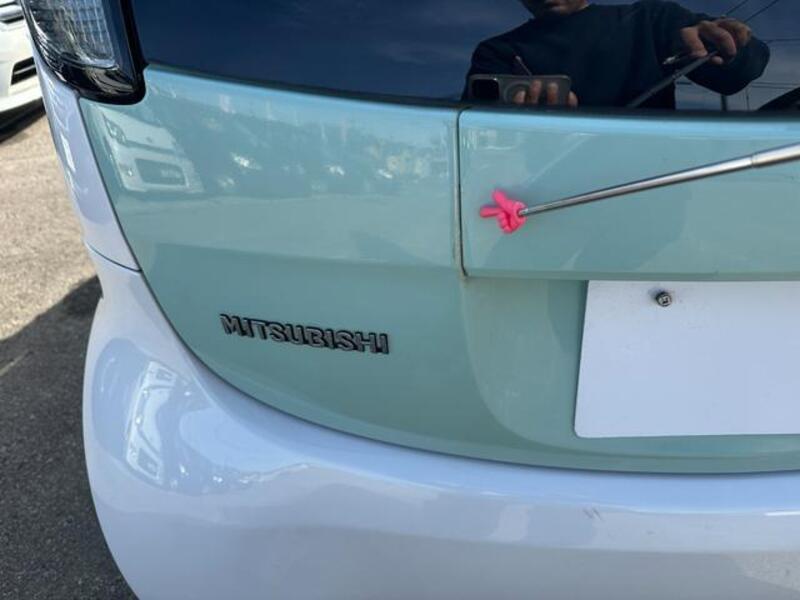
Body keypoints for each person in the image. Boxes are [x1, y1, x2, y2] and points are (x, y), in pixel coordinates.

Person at [466, 0, 771, 108]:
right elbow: (476, 140)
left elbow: (743, 69)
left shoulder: (652, 20)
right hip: (534, 202)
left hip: (650, 194)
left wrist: (727, 44)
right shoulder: (497, 52)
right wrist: (523, 128)